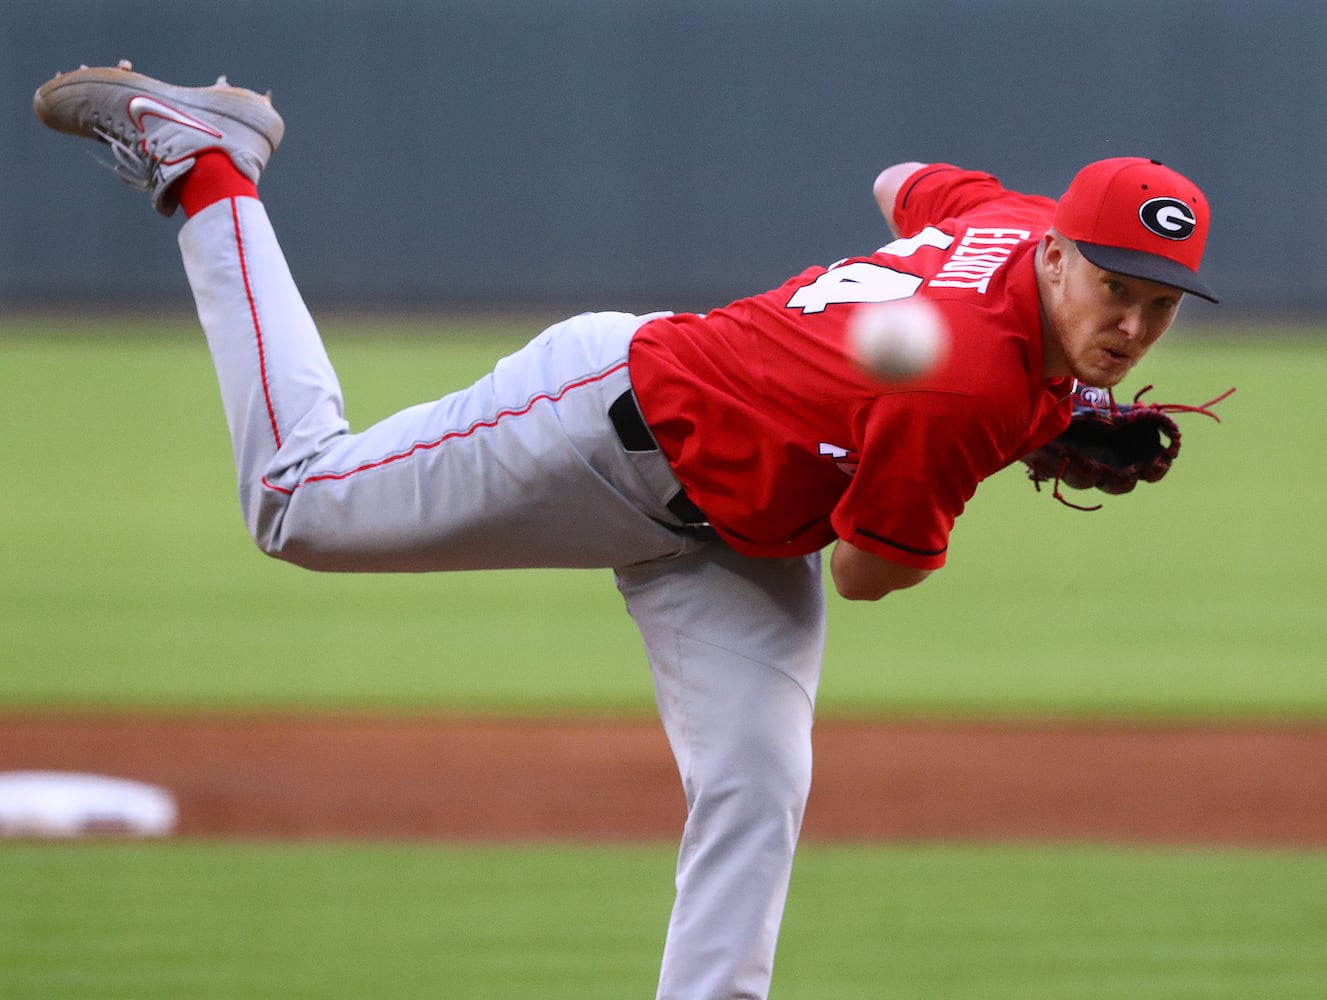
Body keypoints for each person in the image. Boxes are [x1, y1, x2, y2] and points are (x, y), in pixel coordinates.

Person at [33, 63, 1216, 1000]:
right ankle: (208, 171)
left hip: (741, 529)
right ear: (1056, 251)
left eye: (1156, 301)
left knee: (755, 784)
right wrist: (1006, 424)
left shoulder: (1007, 220)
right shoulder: (962, 395)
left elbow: (903, 180)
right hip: (610, 422)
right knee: (296, 502)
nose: (1130, 321)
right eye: (1110, 283)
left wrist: (960, 331)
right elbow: (864, 574)